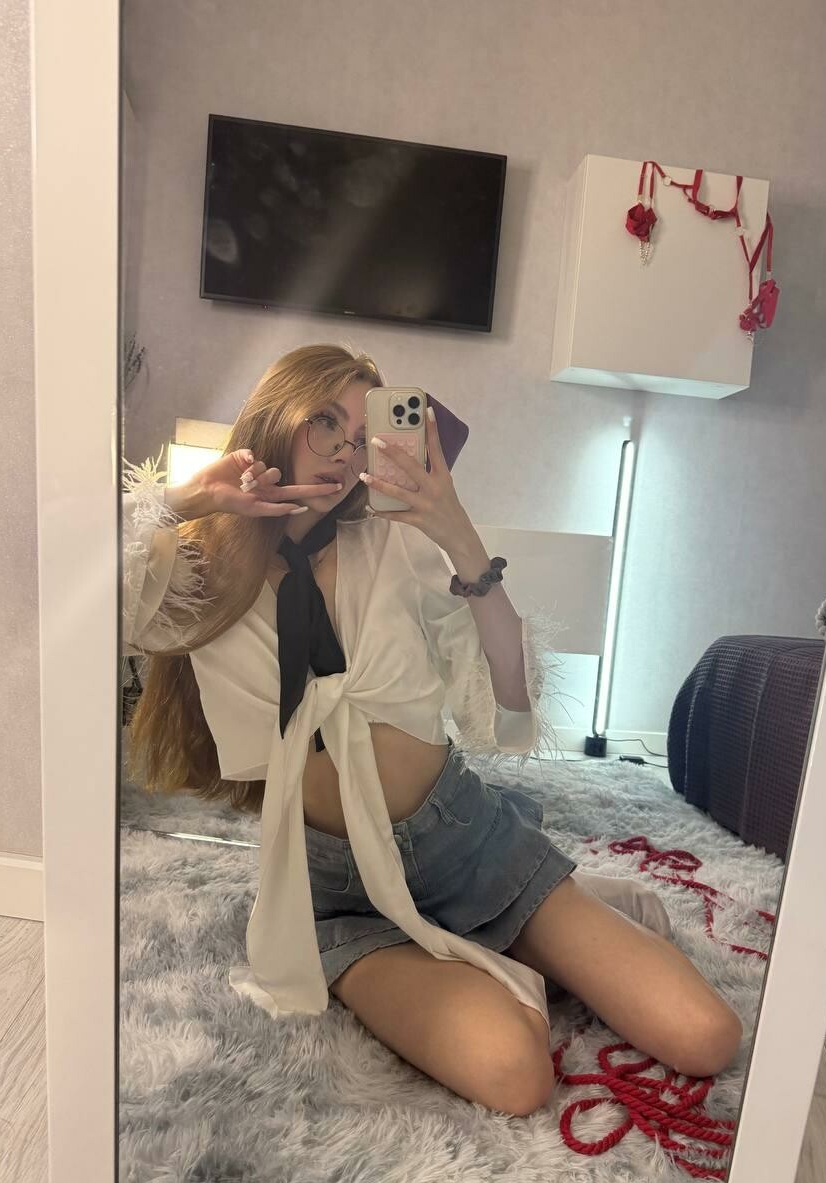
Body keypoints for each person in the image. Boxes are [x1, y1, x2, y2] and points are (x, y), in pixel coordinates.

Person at [122, 342, 742, 1116]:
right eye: (324, 421)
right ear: (276, 416)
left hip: (469, 845)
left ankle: (537, 919)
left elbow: (510, 706)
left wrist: (458, 534)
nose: (343, 452)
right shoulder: (199, 572)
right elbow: (71, 588)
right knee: (516, 1076)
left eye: (361, 436)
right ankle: (508, 944)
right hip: (341, 893)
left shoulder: (400, 545)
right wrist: (186, 500)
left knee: (708, 1037)